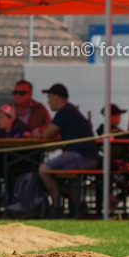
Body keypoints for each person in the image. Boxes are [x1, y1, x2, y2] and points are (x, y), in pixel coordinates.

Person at [34, 83, 98, 217]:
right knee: (55, 175)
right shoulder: (70, 110)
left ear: (57, 98)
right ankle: (77, 202)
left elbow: (46, 135)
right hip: (86, 156)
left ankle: (56, 207)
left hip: (82, 157)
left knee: (43, 170)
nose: (48, 101)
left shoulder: (64, 112)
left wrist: (38, 132)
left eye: (49, 97)